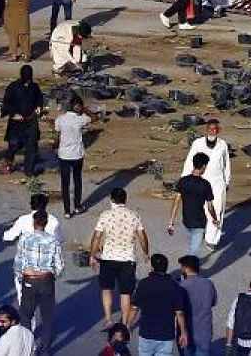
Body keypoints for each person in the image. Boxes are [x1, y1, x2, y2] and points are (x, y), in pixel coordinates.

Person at [89, 188, 149, 328]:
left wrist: (92, 255)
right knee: (126, 292)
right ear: (125, 199)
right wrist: (146, 252)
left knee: (106, 288)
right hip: (128, 258)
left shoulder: (105, 215)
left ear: (112, 199)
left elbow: (97, 236)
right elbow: (142, 235)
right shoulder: (134, 215)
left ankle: (109, 319)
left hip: (108, 257)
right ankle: (124, 323)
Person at [178, 120, 230, 248]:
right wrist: (184, 178)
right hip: (200, 181)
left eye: (215, 129)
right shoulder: (198, 143)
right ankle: (200, 231)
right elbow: (190, 161)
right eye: (210, 129)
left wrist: (227, 181)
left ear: (219, 130)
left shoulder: (223, 145)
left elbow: (226, 165)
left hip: (218, 182)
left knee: (217, 209)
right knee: (200, 209)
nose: (212, 131)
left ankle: (212, 239)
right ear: (206, 130)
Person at [132, 254, 188, 356]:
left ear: (152, 267)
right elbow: (179, 313)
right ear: (166, 268)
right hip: (166, 335)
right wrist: (183, 333)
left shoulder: (144, 284)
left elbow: (134, 308)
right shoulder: (175, 286)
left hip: (146, 333)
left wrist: (127, 325)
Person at [168, 153, 219, 259]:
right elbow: (210, 207)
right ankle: (190, 272)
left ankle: (190, 270)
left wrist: (171, 223)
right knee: (194, 252)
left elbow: (176, 202)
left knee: (192, 245)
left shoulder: (183, 181)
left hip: (186, 220)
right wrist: (215, 219)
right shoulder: (205, 184)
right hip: (199, 222)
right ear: (204, 166)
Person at [1, 65, 44, 176]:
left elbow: (39, 98)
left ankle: (29, 170)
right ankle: (8, 164)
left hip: (30, 120)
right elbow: (6, 102)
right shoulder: (13, 87)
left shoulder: (34, 87)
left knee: (31, 146)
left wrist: (39, 107)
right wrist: (13, 114)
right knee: (13, 145)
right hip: (16, 121)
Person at [53, 96, 90, 217]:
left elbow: (57, 136)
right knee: (77, 180)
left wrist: (55, 147)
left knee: (65, 183)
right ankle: (78, 206)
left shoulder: (60, 119)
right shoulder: (81, 119)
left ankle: (67, 211)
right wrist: (85, 110)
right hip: (77, 155)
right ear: (78, 106)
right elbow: (94, 118)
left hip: (64, 155)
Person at [177, 255, 216, 356]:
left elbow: (178, 310)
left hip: (187, 331)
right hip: (204, 331)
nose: (180, 269)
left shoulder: (181, 286)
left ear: (185, 268)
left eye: (181, 266)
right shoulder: (208, 283)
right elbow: (213, 302)